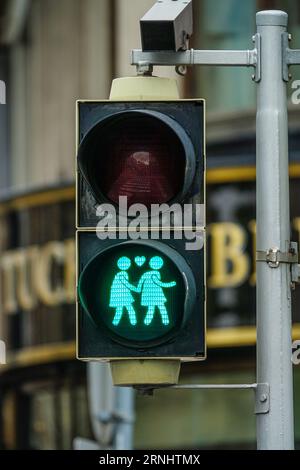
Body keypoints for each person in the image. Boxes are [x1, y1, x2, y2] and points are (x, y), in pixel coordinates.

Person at [137, 256, 176, 326]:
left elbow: (140, 283)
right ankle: (165, 321)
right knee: (162, 308)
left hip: (147, 295)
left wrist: (138, 289)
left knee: (151, 309)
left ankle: (147, 322)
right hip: (156, 295)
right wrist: (170, 284)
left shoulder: (145, 274)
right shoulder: (155, 273)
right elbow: (159, 283)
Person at [109, 257, 139, 326]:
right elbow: (126, 284)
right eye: (127, 264)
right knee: (130, 310)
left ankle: (115, 323)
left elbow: (127, 283)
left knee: (120, 311)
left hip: (121, 296)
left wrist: (134, 285)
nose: (128, 265)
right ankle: (133, 322)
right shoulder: (122, 274)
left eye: (128, 263)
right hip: (123, 296)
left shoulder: (121, 273)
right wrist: (135, 289)